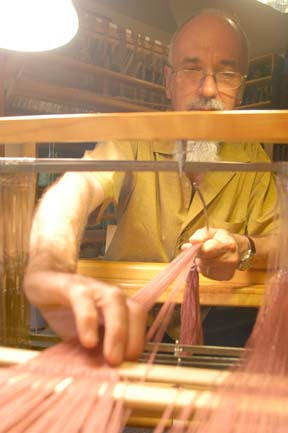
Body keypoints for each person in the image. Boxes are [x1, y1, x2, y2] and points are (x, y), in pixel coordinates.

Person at [24, 9, 277, 364]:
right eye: (192, 69)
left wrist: (245, 247)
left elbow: (279, 237)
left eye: (226, 73)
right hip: (129, 320)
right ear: (168, 81)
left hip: (219, 326)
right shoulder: (135, 142)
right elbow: (74, 190)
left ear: (242, 88)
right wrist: (49, 264)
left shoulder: (253, 158)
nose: (208, 89)